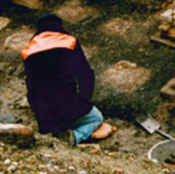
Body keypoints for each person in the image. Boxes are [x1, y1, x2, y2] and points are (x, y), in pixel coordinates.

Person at [21, 14, 113, 146]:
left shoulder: (28, 51)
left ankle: (56, 128)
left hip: (43, 111)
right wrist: (83, 101)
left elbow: (31, 86)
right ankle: (74, 137)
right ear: (60, 26)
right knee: (96, 118)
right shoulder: (69, 42)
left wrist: (38, 112)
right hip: (66, 104)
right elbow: (85, 75)